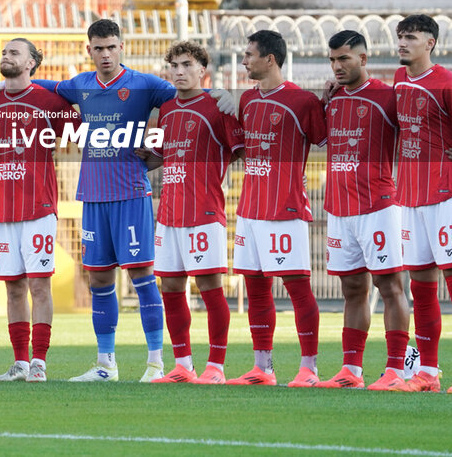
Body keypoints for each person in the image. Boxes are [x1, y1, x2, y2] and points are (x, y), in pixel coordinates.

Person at [51, 19, 176, 382]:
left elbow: (187, 102)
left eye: (111, 47)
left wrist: (159, 146)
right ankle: (106, 365)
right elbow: (42, 89)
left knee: (141, 275)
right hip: (93, 196)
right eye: (98, 48)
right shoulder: (80, 85)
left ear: (122, 47)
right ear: (88, 50)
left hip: (131, 195)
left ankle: (155, 364)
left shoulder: (145, 84)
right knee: (99, 279)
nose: (105, 54)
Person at [0, 38, 79, 382]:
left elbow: (76, 135)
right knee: (12, 287)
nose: (6, 56)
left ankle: (39, 362)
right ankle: (20, 363)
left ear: (31, 63)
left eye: (14, 52)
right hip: (0, 209)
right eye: (4, 52)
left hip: (38, 208)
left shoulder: (49, 102)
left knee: (39, 286)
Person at [138, 41, 244, 384]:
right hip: (169, 213)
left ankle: (216, 366)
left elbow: (240, 149)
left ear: (203, 71)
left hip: (205, 210)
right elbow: (160, 156)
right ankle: (183, 364)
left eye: (187, 65)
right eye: (174, 66)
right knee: (170, 286)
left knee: (210, 286)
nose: (179, 72)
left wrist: (236, 102)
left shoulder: (217, 105)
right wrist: (139, 152)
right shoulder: (166, 109)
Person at [227, 30, 327, 387]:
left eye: (249, 54)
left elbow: (330, 138)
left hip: (285, 209)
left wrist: (329, 100)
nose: (244, 60)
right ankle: (262, 368)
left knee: (298, 288)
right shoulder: (246, 101)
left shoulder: (302, 101)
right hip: (249, 210)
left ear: (270, 59)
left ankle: (309, 369)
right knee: (255, 287)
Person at [315, 31, 411, 391]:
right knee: (352, 288)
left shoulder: (389, 97)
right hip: (339, 208)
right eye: (332, 60)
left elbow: (420, 131)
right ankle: (350, 371)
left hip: (378, 205)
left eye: (344, 59)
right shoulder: (333, 98)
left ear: (363, 59)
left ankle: (395, 371)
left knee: (390, 287)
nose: (337, 66)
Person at [393, 14, 452, 395]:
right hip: (410, 201)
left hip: (446, 198)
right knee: (422, 291)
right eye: (399, 37)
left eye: (410, 37)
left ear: (429, 43)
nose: (401, 43)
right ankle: (427, 373)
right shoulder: (399, 81)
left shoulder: (449, 84)